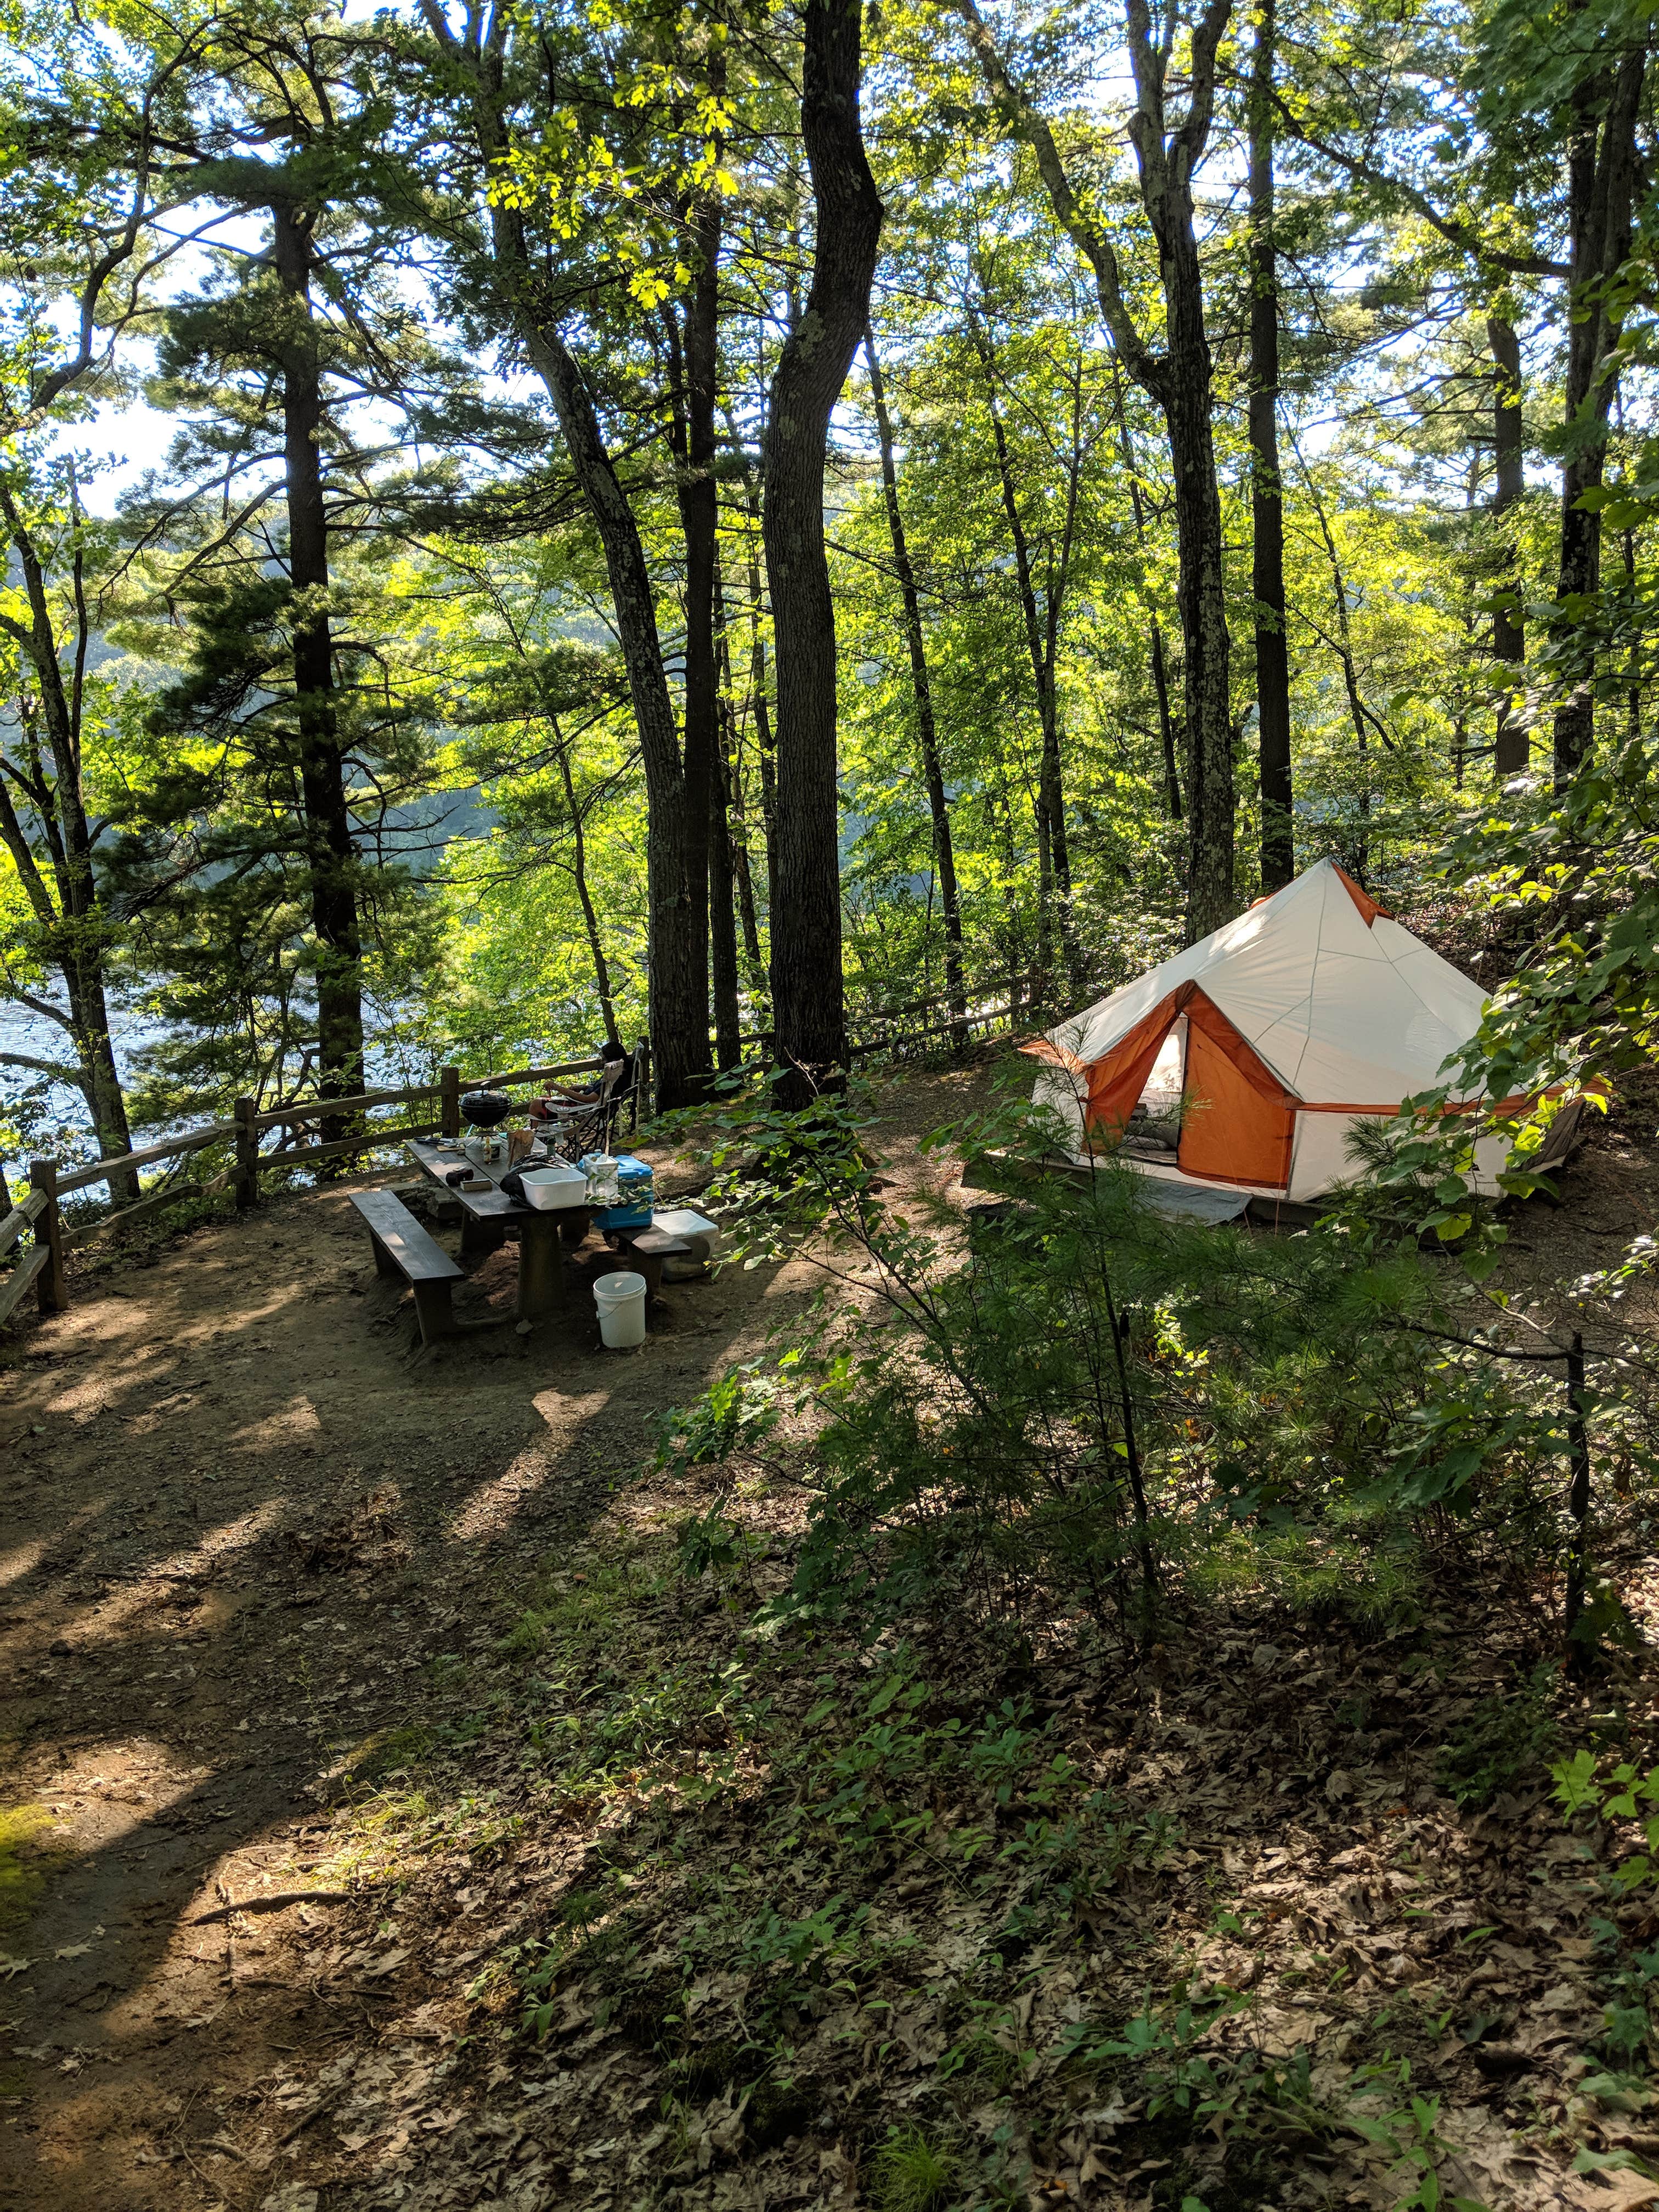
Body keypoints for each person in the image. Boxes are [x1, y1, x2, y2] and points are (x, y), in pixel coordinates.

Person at [530, 1040, 630, 1120]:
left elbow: (587, 1099)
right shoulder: (618, 1074)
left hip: (584, 1109)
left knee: (537, 1104)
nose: (602, 1062)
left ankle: (536, 1141)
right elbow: (602, 1093)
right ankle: (540, 1140)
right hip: (586, 1105)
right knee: (543, 1099)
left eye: (604, 1059)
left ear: (612, 1060)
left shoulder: (615, 1079)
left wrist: (557, 1087)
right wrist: (584, 1087)